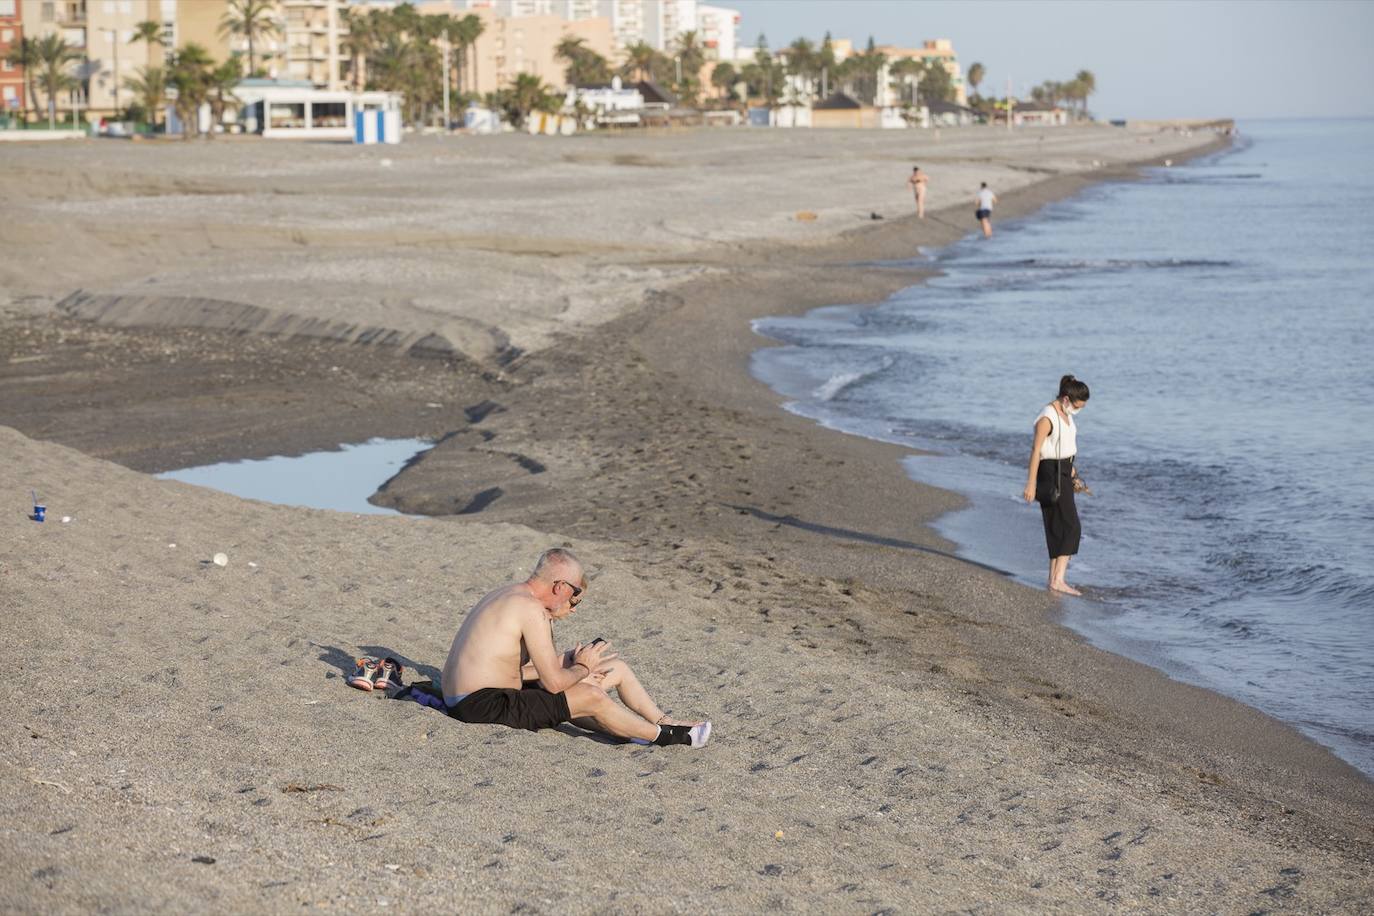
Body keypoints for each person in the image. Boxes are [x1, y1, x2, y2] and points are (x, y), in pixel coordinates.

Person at [440, 547, 711, 747]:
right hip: (478, 705)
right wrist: (582, 668)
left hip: (482, 693)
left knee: (614, 668)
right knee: (589, 695)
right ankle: (667, 737)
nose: (575, 601)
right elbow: (555, 685)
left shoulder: (509, 594)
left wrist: (570, 661)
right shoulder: (530, 609)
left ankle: (662, 721)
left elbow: (507, 669)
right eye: (575, 594)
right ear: (560, 586)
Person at [1023, 375, 1091, 595]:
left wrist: (1074, 476)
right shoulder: (1047, 417)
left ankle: (1053, 578)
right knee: (1072, 527)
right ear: (1065, 399)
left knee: (1057, 527)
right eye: (1077, 406)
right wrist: (1031, 484)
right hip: (1050, 473)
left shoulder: (1066, 414)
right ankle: (1059, 580)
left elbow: (1065, 448)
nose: (1078, 410)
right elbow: (1036, 451)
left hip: (1064, 470)